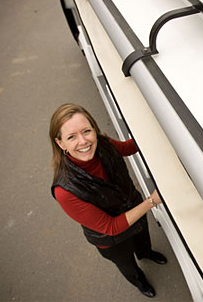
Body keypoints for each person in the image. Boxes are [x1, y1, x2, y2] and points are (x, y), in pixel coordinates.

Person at [49, 103, 166, 298]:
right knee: (126, 263)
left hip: (133, 208)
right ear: (60, 143)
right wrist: (152, 201)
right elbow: (110, 227)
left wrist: (156, 129)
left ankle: (146, 253)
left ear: (94, 129)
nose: (83, 141)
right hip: (111, 240)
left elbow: (128, 148)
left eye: (87, 131)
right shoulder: (64, 190)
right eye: (71, 137)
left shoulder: (103, 143)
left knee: (143, 240)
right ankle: (139, 280)